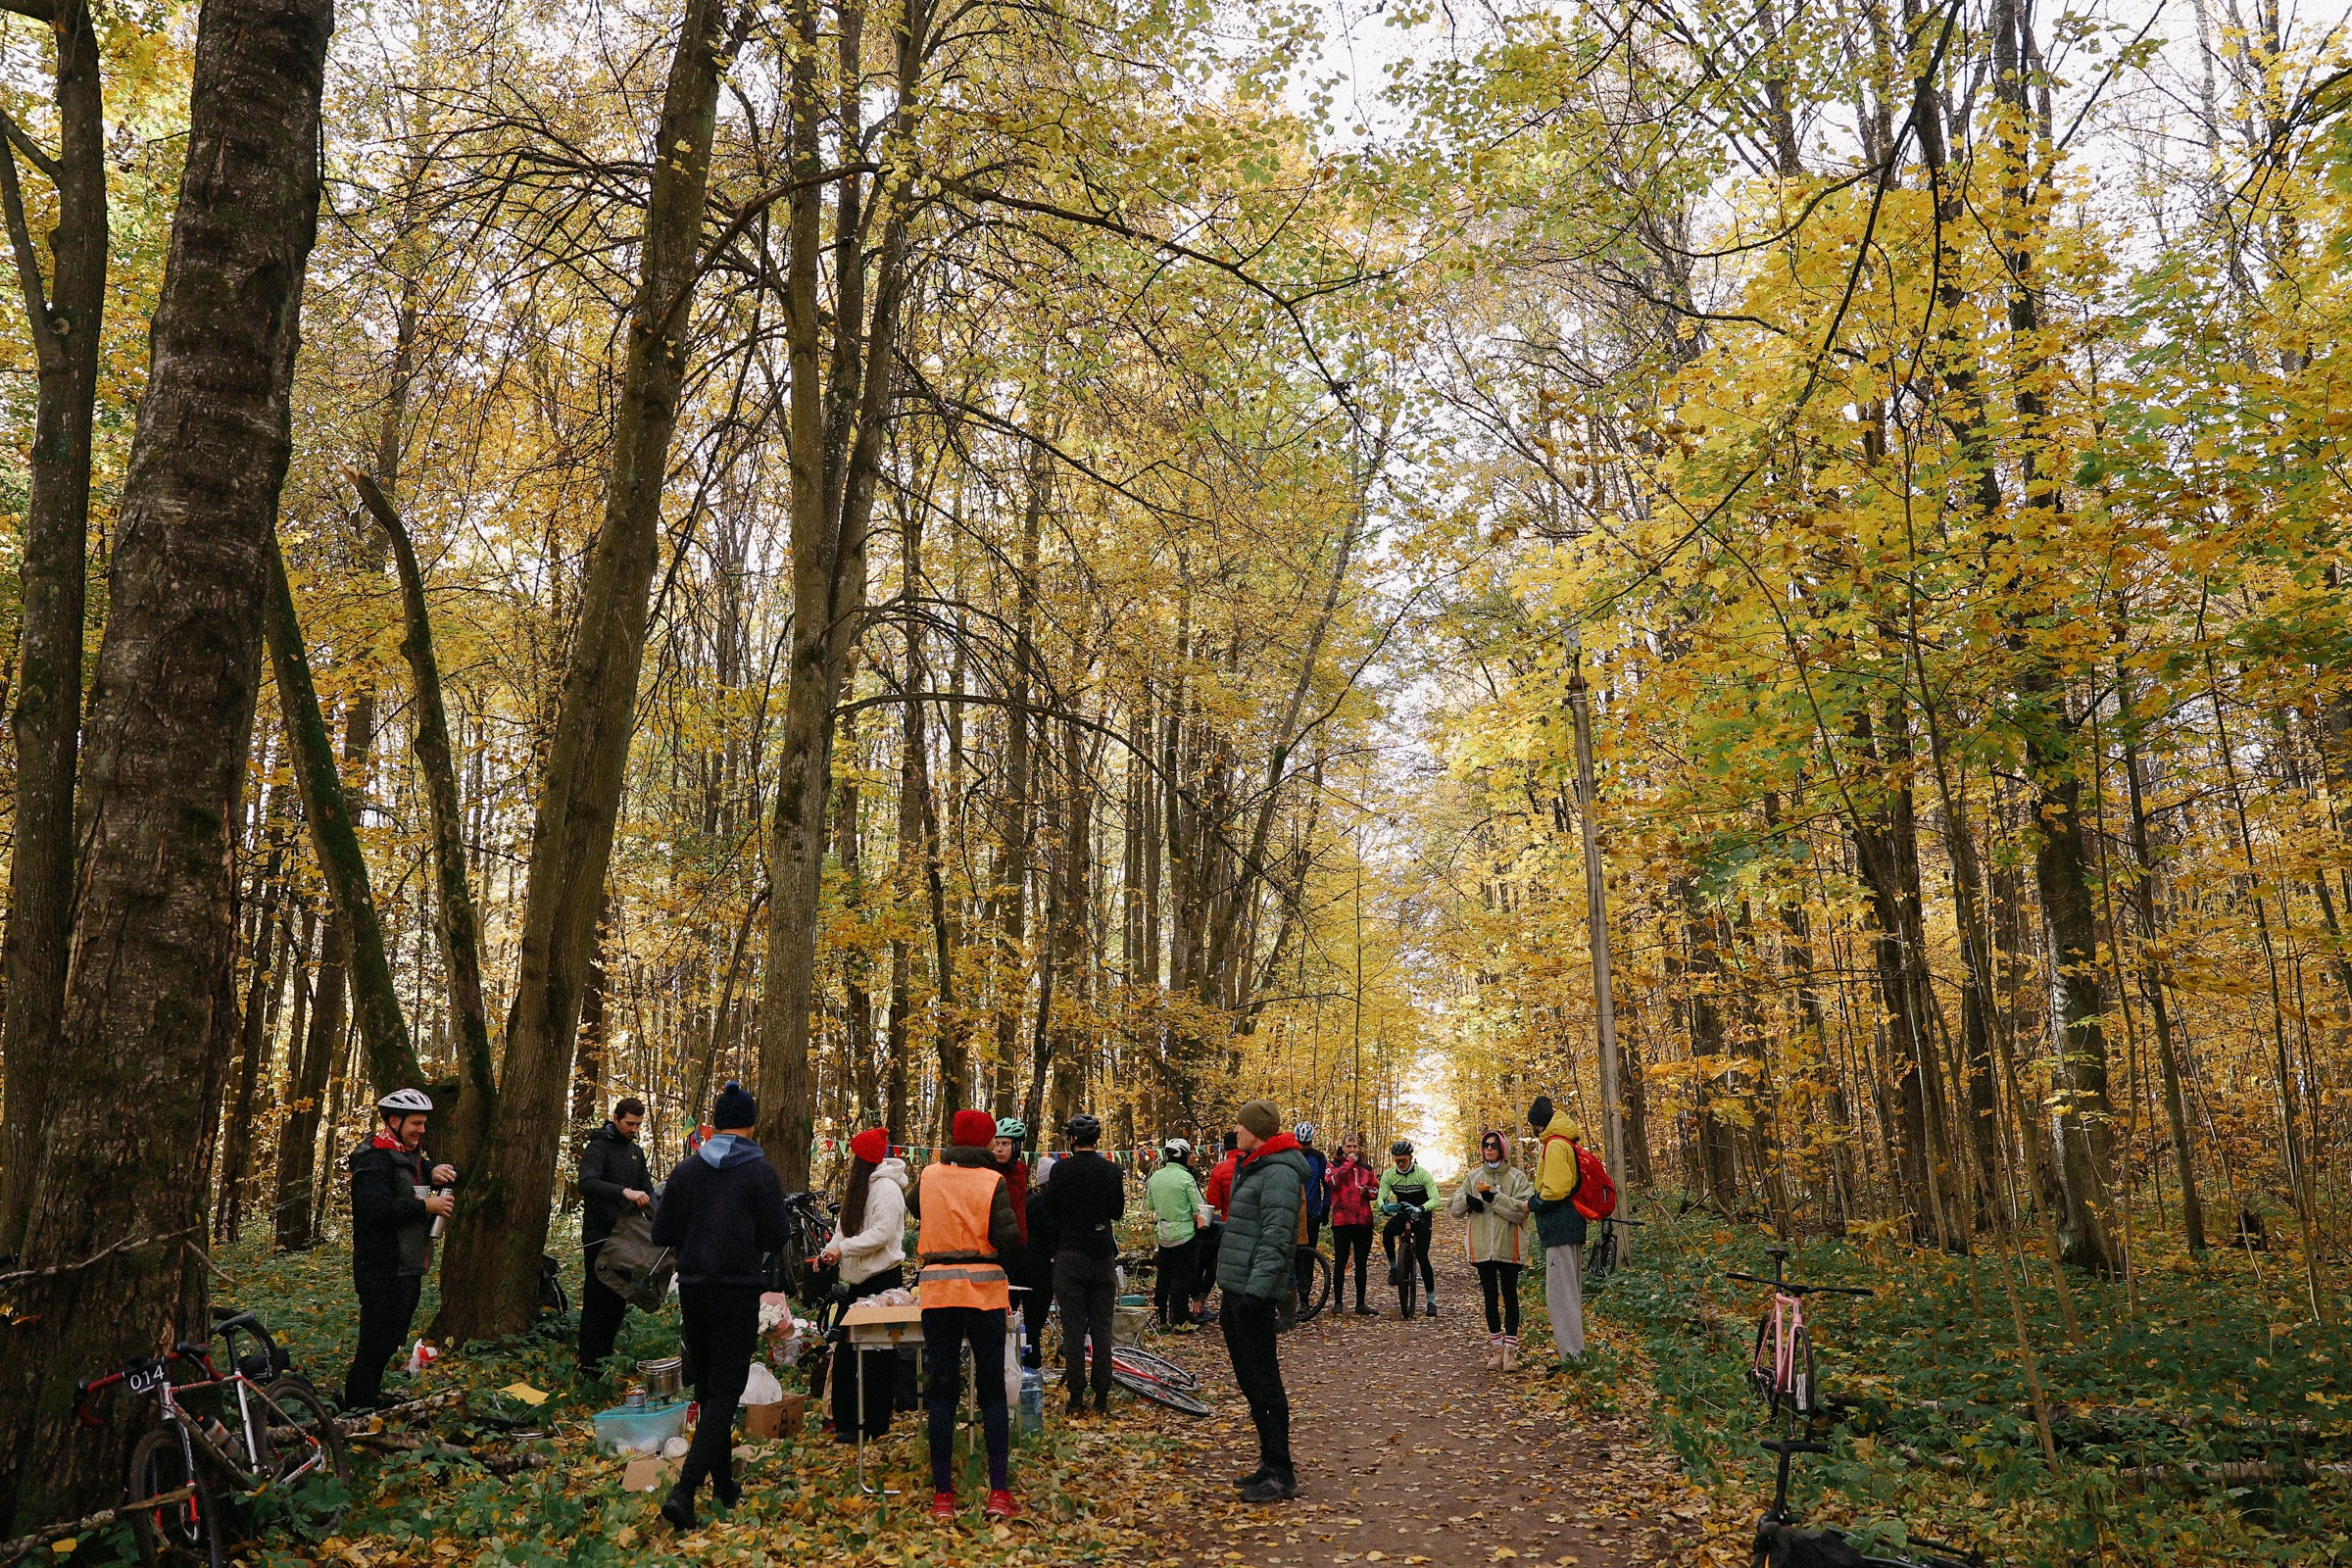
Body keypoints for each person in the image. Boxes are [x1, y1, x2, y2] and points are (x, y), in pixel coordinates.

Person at [649, 1081, 789, 1532]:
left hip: (693, 1288)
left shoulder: (687, 1170)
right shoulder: (760, 1172)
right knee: (727, 1389)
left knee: (709, 1389)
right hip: (736, 1289)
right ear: (751, 1123)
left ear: (714, 1124)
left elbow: (661, 1231)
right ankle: (685, 1490)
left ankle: (724, 1487)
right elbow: (776, 1235)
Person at [911, 1108, 1024, 1521]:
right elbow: (1009, 1237)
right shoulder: (993, 1180)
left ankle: (943, 1496)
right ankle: (998, 1491)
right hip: (984, 1294)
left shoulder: (928, 1176)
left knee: (942, 1390)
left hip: (937, 1293)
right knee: (992, 1390)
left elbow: (916, 1208)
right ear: (985, 1143)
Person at [1217, 1100, 1309, 1503]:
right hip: (1236, 1290)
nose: (1235, 1131)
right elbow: (1249, 1230)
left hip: (1251, 1295)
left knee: (1265, 1382)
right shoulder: (1253, 1165)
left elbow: (1274, 1239)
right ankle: (1269, 1463)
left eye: (1241, 1125)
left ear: (1257, 1130)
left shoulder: (1278, 1174)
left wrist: (1256, 1294)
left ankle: (1282, 1472)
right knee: (1250, 1381)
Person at [343, 1088, 457, 1413]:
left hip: (408, 1265)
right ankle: (356, 1408)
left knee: (391, 1339)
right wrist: (425, 1205)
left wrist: (435, 1172)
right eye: (416, 1123)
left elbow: (424, 1176)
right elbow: (373, 1209)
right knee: (374, 1342)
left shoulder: (412, 1156)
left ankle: (367, 1400)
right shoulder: (373, 1159)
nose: (422, 1130)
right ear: (394, 1121)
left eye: (424, 1124)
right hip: (380, 1265)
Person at [815, 1127, 907, 1444]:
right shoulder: (858, 1189)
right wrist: (830, 1250)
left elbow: (881, 1234)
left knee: (877, 1358)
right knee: (845, 1354)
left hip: (882, 1283)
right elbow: (845, 1228)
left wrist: (845, 1249)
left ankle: (875, 1424)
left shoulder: (887, 1190)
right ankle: (847, 1422)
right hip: (857, 1285)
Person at [1046, 1112, 1125, 1416]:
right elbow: (1117, 1212)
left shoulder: (1059, 1171)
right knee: (1103, 1327)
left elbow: (1052, 1212)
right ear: (1097, 1139)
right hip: (1102, 1255)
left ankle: (1076, 1396)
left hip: (1070, 1256)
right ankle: (1102, 1395)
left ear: (1072, 1140)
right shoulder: (1111, 1170)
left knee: (1074, 1328)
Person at [575, 1096, 654, 1377]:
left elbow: (647, 1189)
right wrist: (623, 1191)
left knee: (618, 1300)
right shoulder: (598, 1148)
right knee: (597, 1301)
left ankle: (605, 1360)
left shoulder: (636, 1152)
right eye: (629, 1123)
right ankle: (589, 1366)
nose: (633, 1129)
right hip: (600, 1237)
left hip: (627, 1238)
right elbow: (587, 1183)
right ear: (617, 1119)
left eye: (638, 1124)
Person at [1446, 1129, 1535, 1370]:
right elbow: (1453, 1209)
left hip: (1510, 1246)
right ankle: (1496, 1350)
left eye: (1494, 1145)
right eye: (1486, 1145)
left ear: (1503, 1149)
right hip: (1482, 1247)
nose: (1489, 1149)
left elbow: (1520, 1212)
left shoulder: (1517, 1178)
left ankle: (1511, 1352)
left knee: (1510, 1296)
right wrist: (1467, 1201)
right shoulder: (1473, 1177)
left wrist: (1494, 1199)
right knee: (1489, 1298)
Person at [1525, 1096, 1588, 1369]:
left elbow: (1555, 1189)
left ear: (1538, 1125)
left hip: (1560, 1226)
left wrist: (1532, 1203)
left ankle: (1572, 1358)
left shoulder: (1555, 1145)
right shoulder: (1567, 1141)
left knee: (1561, 1296)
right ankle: (1574, 1355)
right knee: (1569, 1292)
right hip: (1571, 1224)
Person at [1146, 1138, 1210, 1330]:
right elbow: (1199, 1207)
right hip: (1185, 1235)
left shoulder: (1155, 1176)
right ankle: (1180, 1319)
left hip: (1163, 1233)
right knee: (1182, 1277)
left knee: (1163, 1277)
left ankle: (1162, 1319)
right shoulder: (1186, 1178)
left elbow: (1150, 1205)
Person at [1378, 1140, 1442, 1317]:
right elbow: (1381, 1196)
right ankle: (1393, 1268)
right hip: (1404, 1213)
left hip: (1421, 1214)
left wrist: (1421, 1208)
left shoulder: (1423, 1175)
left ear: (1410, 1158)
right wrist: (1383, 1206)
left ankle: (1431, 1301)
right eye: (1397, 1160)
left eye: (1403, 1160)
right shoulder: (1389, 1175)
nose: (1399, 1163)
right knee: (1388, 1232)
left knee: (1422, 1256)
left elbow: (1435, 1199)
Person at [1325, 1133, 1379, 1316]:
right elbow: (1332, 1182)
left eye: (1355, 1146)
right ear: (1343, 1147)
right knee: (1340, 1262)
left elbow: (1376, 1190)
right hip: (1342, 1221)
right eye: (1349, 1146)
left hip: (1363, 1221)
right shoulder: (1334, 1165)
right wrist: (1347, 1163)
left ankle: (1360, 1303)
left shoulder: (1366, 1168)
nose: (1353, 1150)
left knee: (1361, 1263)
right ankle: (1338, 1303)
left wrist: (1368, 1192)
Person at [1196, 1131, 1240, 1321]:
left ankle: (1204, 1302)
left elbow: (1214, 1203)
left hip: (1226, 1226)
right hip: (1252, 1225)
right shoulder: (1254, 1165)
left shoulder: (1220, 1169)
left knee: (1214, 1265)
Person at [1018, 1154, 1057, 1369]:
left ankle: (1032, 1357)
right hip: (1034, 1267)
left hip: (1041, 1265)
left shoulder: (1039, 1202)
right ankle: (1031, 1360)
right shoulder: (1035, 1203)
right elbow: (1050, 1231)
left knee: (1036, 1319)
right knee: (1034, 1318)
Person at [1292, 1123, 1329, 1303]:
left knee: (1308, 1256)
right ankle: (1290, 1295)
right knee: (1291, 1256)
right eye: (1300, 1143)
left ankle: (1304, 1298)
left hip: (1312, 1212)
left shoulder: (1318, 1158)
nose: (1302, 1147)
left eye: (1306, 1144)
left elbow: (1327, 1184)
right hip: (1292, 1211)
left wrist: (1325, 1209)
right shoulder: (1289, 1156)